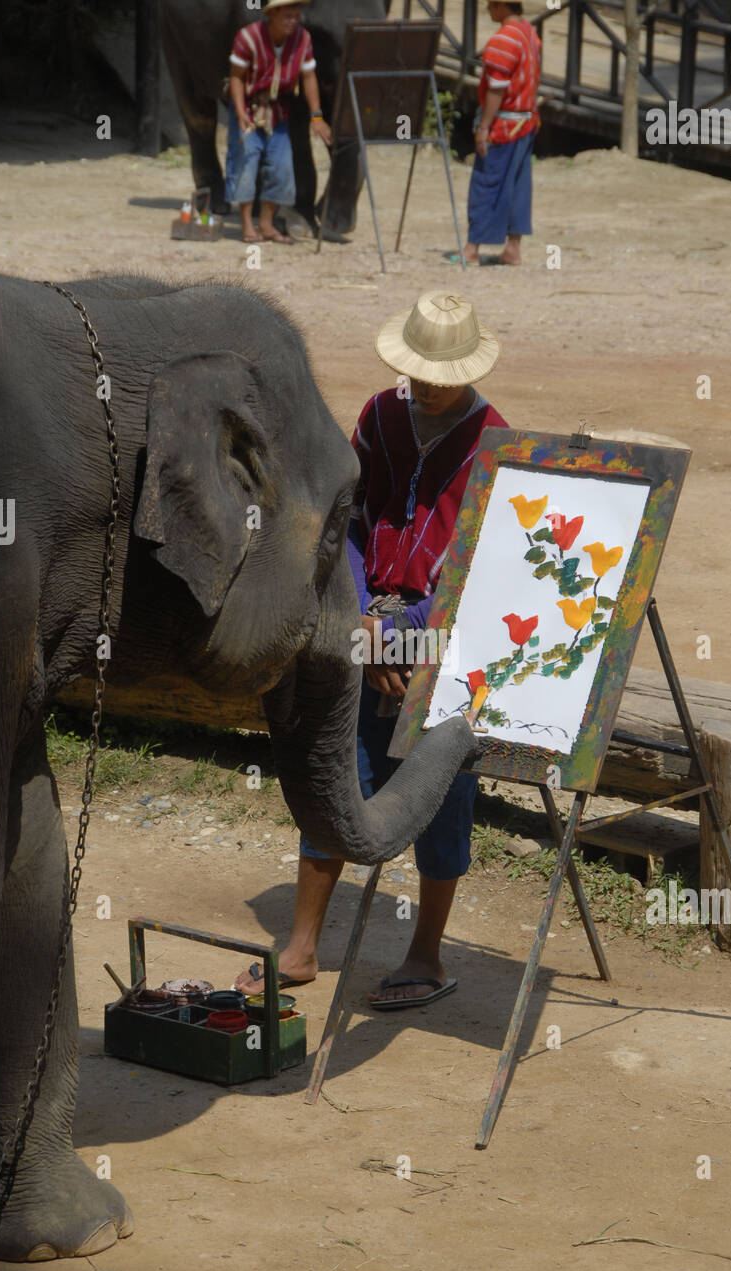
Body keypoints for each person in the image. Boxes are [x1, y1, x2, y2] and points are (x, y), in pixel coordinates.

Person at [236, 292, 507, 1009]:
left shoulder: (496, 444)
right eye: (418, 373)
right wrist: (361, 617)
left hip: (443, 636)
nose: (426, 386)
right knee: (334, 772)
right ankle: (301, 946)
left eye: (439, 377)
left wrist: (400, 632)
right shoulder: (379, 415)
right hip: (362, 620)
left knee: (441, 791)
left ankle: (426, 953)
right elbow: (348, 520)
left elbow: (474, 565)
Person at [226, 0, 331, 244]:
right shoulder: (248, 38)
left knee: (281, 167)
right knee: (246, 161)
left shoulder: (302, 39)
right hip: (249, 107)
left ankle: (266, 224)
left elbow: (308, 76)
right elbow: (236, 78)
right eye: (287, 16)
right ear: (272, 14)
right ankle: (247, 225)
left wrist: (317, 116)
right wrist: (240, 112)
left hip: (278, 110)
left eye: (296, 16)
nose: (293, 21)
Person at [462, 1, 542, 267]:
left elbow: (497, 88)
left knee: (486, 184)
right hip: (526, 122)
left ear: (501, 6)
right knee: (518, 186)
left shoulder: (503, 39)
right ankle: (513, 249)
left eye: (491, 4)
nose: (488, 9)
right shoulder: (529, 33)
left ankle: (472, 248)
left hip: (505, 125)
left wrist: (484, 126)